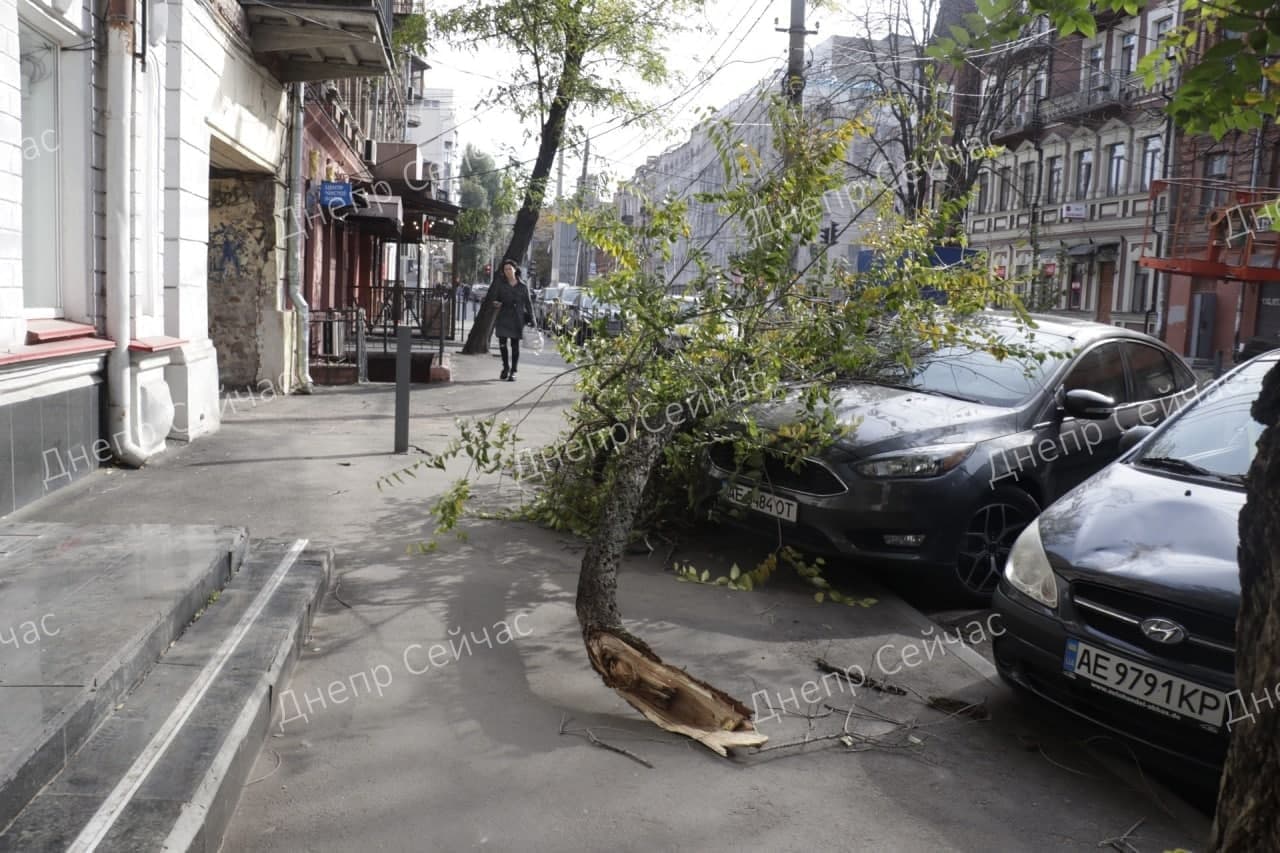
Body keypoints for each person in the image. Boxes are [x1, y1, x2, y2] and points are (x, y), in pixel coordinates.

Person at [490, 258, 534, 381]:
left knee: (515, 346)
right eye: (505, 269)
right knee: (503, 345)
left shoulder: (522, 286)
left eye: (510, 268)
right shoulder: (501, 285)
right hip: (503, 317)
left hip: (517, 319)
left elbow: (529, 304)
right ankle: (505, 367)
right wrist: (496, 303)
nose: (508, 271)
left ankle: (513, 371)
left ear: (515, 270)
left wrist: (533, 320)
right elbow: (496, 299)